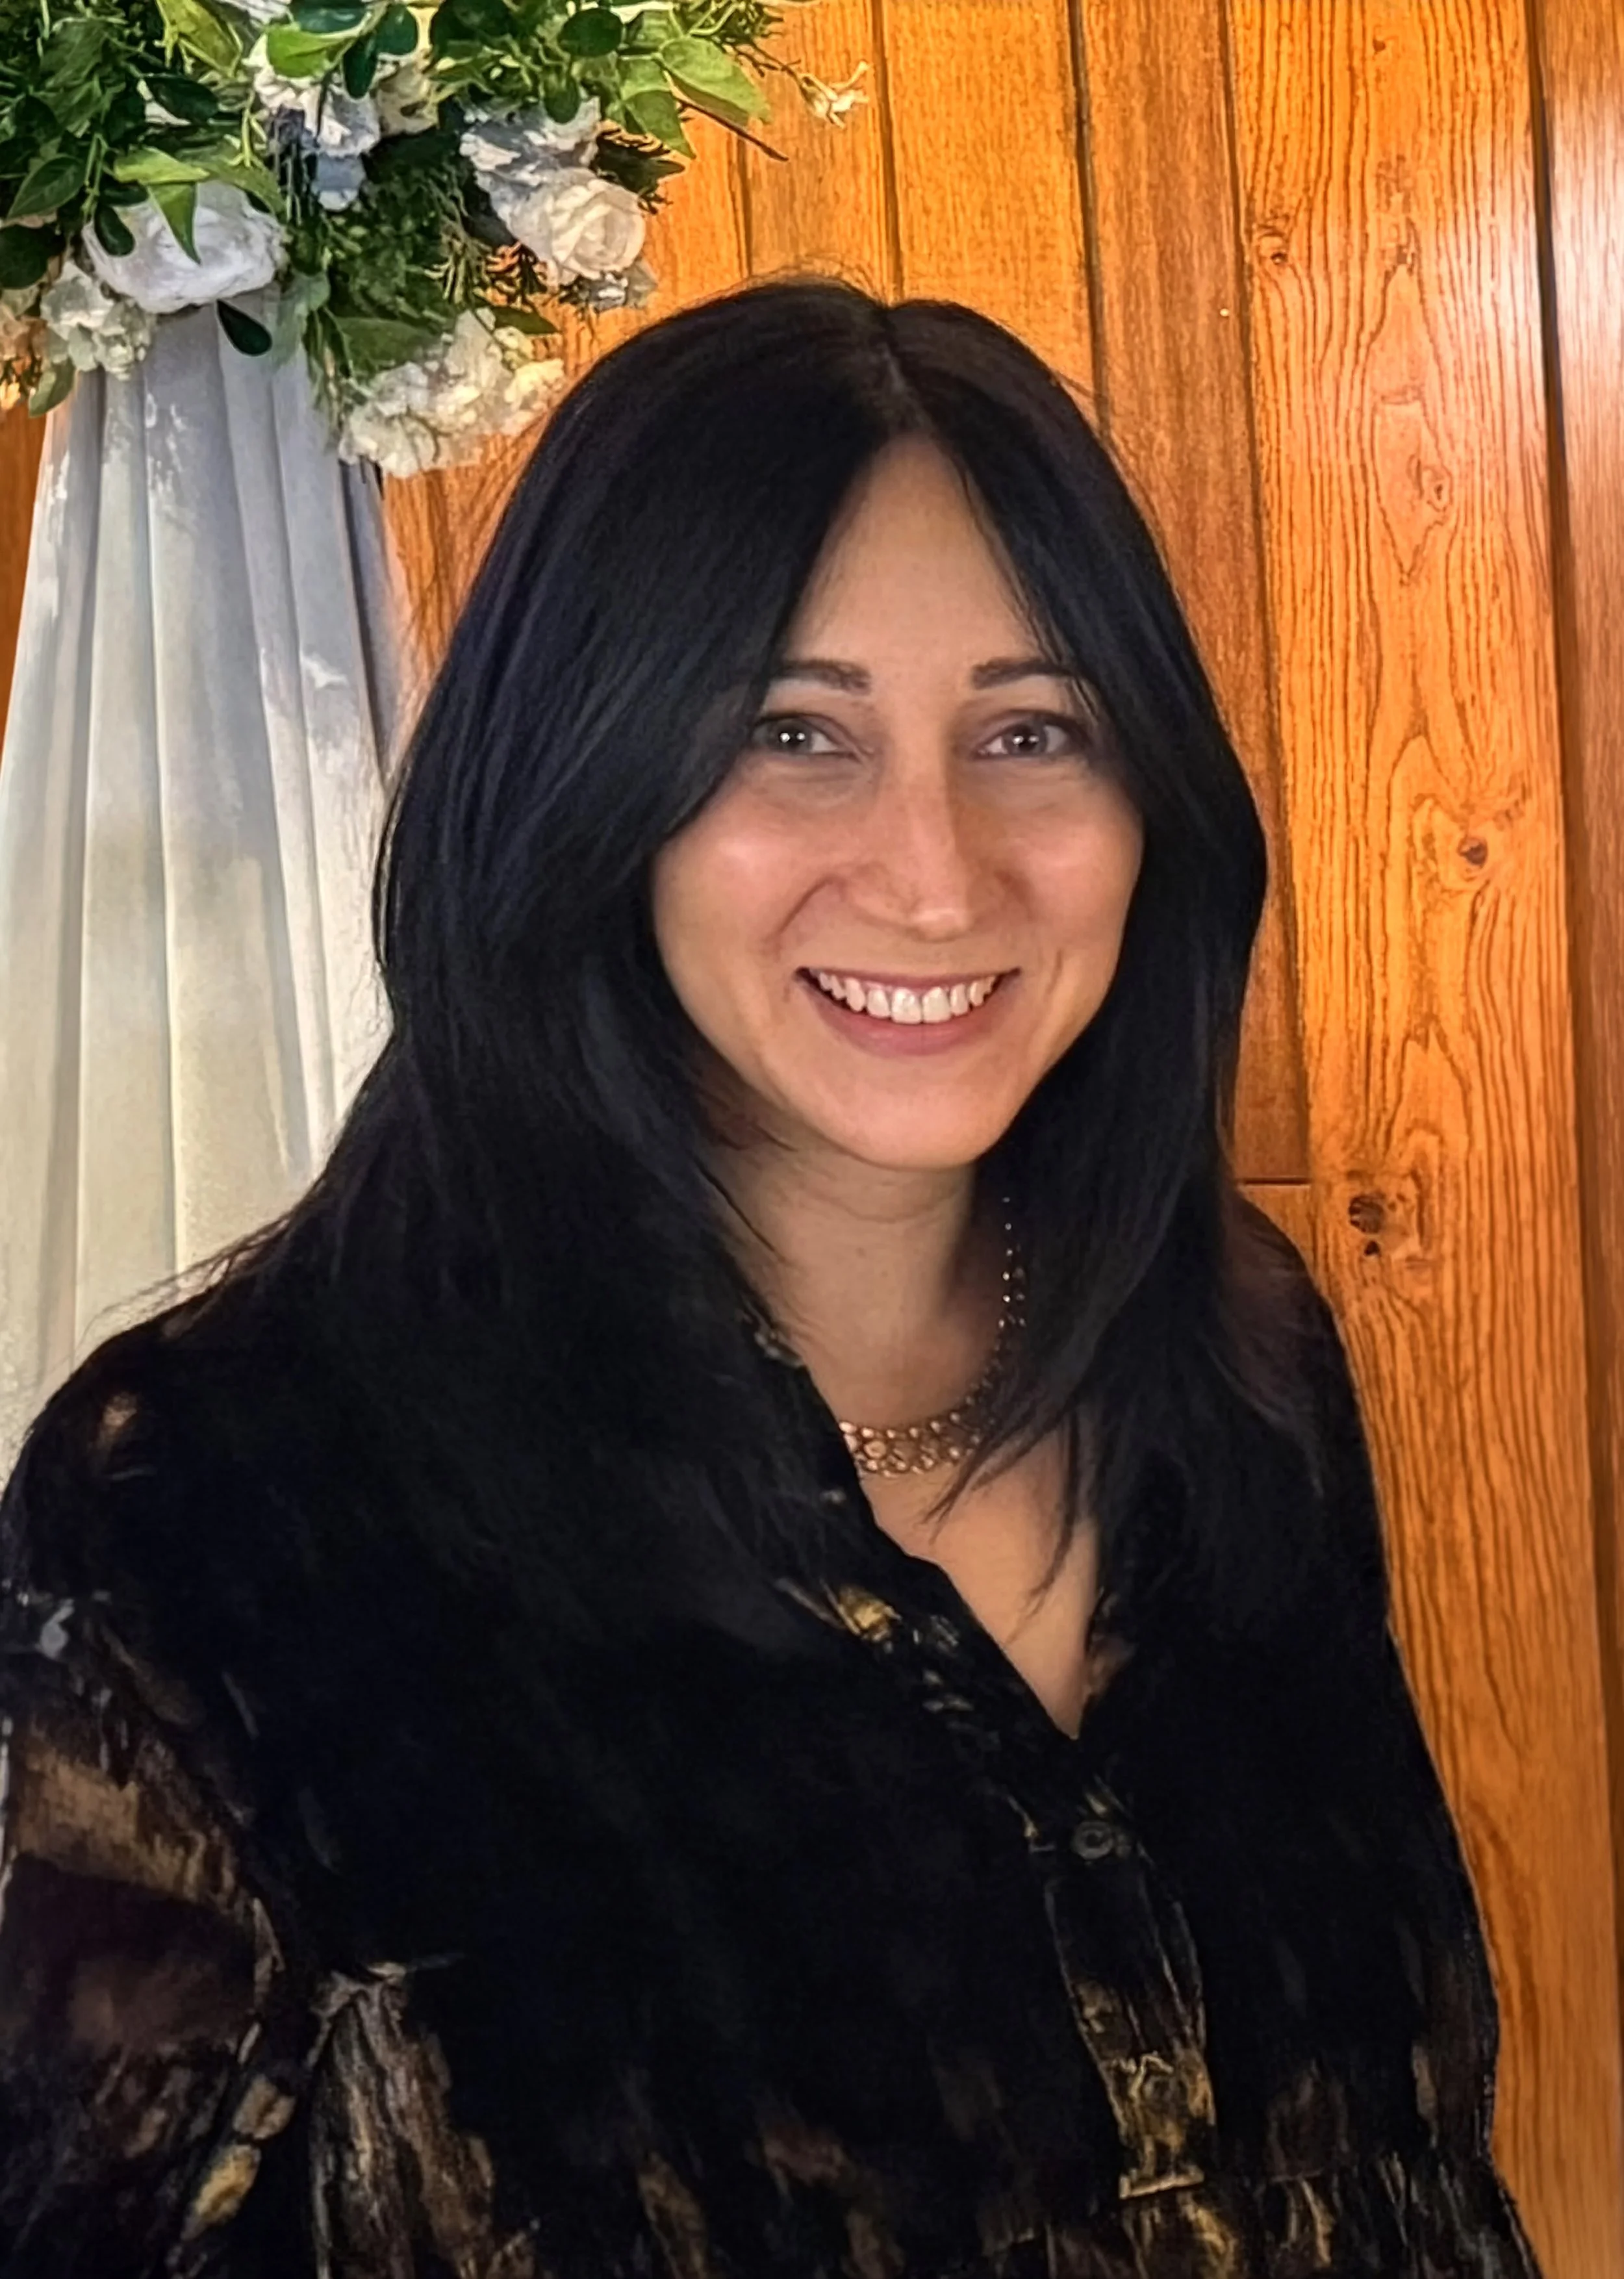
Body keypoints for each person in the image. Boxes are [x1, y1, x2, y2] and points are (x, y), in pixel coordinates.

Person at [0, 278, 1541, 2278]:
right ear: (584, 783)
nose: (934, 867)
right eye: (789, 731)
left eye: (1031, 727)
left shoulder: (1225, 1365)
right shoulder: (205, 1519)